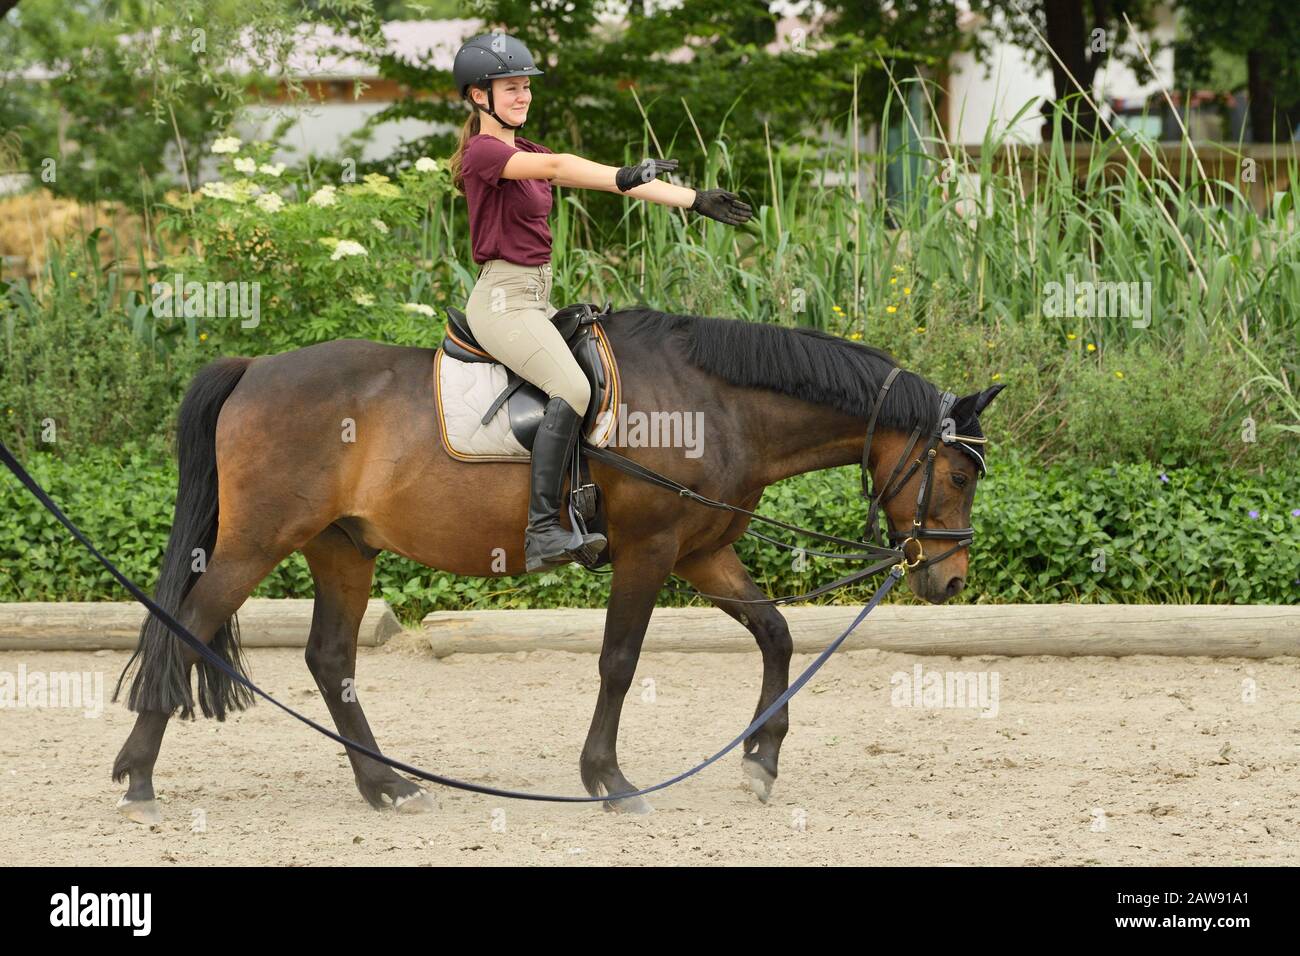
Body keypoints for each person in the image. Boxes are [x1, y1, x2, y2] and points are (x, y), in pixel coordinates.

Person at [448, 32, 753, 572]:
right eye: (510, 88)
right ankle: (542, 530)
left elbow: (607, 182)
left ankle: (590, 504)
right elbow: (564, 169)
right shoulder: (484, 152)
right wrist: (622, 172)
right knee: (571, 385)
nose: (522, 97)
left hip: (536, 299)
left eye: (525, 88)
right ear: (478, 97)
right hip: (502, 301)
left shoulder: (529, 150)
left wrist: (693, 200)